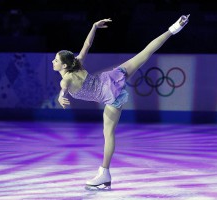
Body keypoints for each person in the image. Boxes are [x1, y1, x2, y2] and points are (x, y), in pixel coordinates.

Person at [52, 14, 190, 190]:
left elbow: (63, 87)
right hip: (113, 77)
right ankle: (174, 28)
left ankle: (105, 174)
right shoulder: (77, 62)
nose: (53, 61)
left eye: (56, 60)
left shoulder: (66, 79)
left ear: (64, 66)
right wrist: (94, 27)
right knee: (145, 53)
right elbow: (87, 45)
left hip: (111, 97)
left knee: (108, 134)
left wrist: (60, 96)